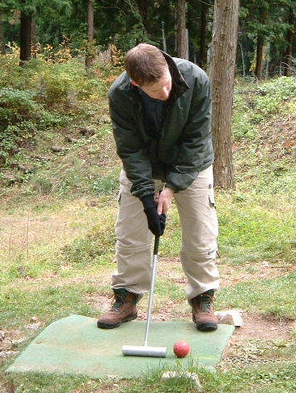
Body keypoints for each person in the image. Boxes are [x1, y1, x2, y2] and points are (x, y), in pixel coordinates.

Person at [97, 43, 220, 332]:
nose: (165, 94)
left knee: (201, 233)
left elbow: (196, 139)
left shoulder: (196, 79)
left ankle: (203, 298)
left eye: (167, 85)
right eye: (156, 92)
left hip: (192, 163)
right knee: (130, 234)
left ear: (168, 66)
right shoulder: (121, 94)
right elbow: (130, 148)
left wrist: (171, 187)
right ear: (136, 83)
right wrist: (145, 194)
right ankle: (126, 298)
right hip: (146, 165)